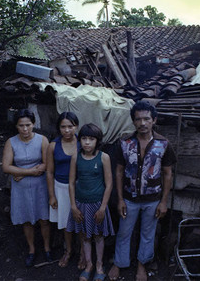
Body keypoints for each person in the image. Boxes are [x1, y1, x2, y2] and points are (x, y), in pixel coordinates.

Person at [108, 101, 177, 281]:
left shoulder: (163, 144)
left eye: (146, 119)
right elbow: (119, 171)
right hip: (129, 199)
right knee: (124, 232)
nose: (142, 123)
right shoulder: (124, 143)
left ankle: (141, 265)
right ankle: (119, 262)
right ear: (133, 121)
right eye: (138, 119)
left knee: (148, 234)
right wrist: (120, 199)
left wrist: (163, 202)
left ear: (153, 120)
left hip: (152, 199)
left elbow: (168, 174)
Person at [2, 109, 52, 267]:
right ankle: (31, 249)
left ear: (34, 124)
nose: (25, 129)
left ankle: (47, 247)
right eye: (21, 125)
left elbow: (47, 163)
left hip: (40, 185)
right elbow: (6, 167)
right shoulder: (11, 142)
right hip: (21, 187)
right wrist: (29, 172)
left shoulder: (42, 140)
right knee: (27, 220)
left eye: (28, 125)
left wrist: (21, 172)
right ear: (16, 126)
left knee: (44, 219)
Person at [66, 123, 114, 281]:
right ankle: (89, 264)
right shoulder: (76, 157)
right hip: (80, 204)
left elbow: (109, 184)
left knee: (98, 236)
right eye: (84, 138)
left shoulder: (103, 157)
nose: (87, 142)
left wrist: (102, 208)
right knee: (85, 236)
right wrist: (73, 206)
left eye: (91, 139)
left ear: (97, 141)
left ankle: (99, 265)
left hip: (97, 205)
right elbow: (72, 182)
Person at [46, 112, 85, 268]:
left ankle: (83, 252)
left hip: (80, 188)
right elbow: (49, 171)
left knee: (81, 222)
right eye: (63, 127)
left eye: (71, 126)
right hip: (60, 188)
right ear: (59, 128)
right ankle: (68, 251)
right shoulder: (53, 145)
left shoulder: (83, 143)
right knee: (65, 223)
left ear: (76, 126)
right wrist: (52, 196)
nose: (67, 130)